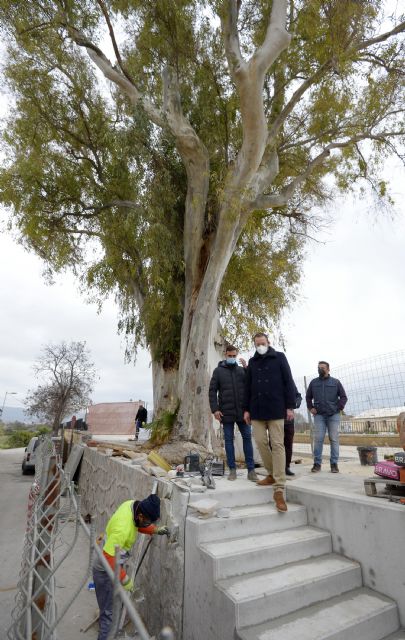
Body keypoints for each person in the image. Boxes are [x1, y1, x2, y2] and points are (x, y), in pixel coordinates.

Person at [93, 494, 169, 640]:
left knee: (113, 608)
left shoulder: (132, 505)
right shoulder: (123, 528)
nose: (147, 524)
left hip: (114, 562)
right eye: (147, 522)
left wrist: (154, 530)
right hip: (105, 570)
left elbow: (138, 525)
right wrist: (125, 579)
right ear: (140, 515)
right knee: (109, 616)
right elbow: (108, 556)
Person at [244, 333, 296, 512]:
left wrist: (290, 406)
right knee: (259, 441)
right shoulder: (252, 362)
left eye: (263, 343)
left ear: (268, 342)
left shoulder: (279, 357)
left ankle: (279, 487)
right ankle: (272, 473)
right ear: (254, 345)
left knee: (278, 444)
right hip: (257, 410)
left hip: (276, 408)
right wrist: (246, 409)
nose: (260, 346)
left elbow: (288, 381)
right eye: (257, 344)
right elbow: (248, 387)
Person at [209, 344, 258, 482]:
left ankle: (251, 470)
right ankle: (232, 470)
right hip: (226, 412)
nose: (232, 358)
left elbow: (252, 385)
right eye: (229, 356)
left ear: (236, 355)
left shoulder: (242, 371)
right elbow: (212, 391)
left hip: (243, 412)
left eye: (234, 356)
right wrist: (215, 409)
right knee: (229, 441)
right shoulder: (218, 371)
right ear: (225, 354)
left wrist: (248, 369)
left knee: (247, 438)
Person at [306, 361, 348, 473]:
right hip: (319, 415)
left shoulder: (335, 382)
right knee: (318, 439)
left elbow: (343, 397)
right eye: (319, 368)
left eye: (323, 368)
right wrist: (311, 408)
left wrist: (338, 408)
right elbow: (308, 397)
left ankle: (334, 464)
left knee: (333, 439)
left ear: (328, 369)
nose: (320, 369)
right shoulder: (313, 383)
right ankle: (317, 464)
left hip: (333, 415)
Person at [270, 385, 302, 477]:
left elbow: (298, 396)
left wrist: (294, 404)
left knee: (288, 443)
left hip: (288, 419)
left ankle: (286, 467)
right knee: (274, 443)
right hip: (274, 418)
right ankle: (275, 467)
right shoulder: (272, 381)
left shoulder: (289, 383)